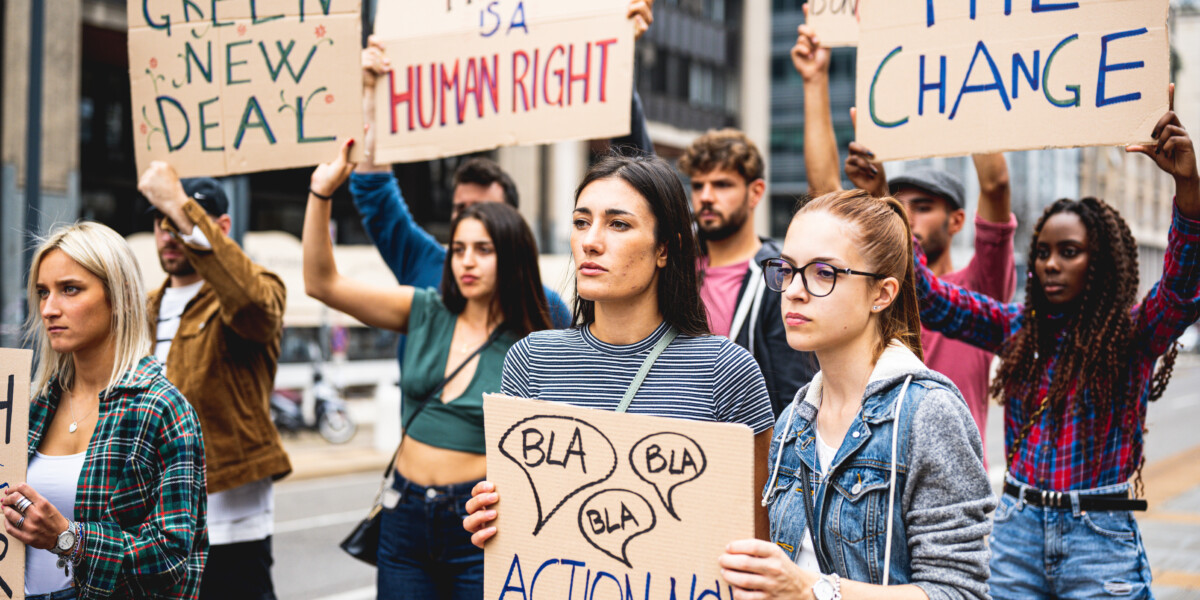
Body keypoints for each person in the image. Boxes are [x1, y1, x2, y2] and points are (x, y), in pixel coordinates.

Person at [911, 98, 1200, 598]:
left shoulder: (1133, 336)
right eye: (1042, 251)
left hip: (1100, 540)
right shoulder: (1016, 327)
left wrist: (1190, 190)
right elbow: (933, 300)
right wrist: (885, 210)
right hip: (1015, 533)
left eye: (1069, 252)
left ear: (1102, 263)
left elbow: (1179, 288)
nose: (1049, 264)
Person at [462, 153, 777, 545]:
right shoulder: (532, 359)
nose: (591, 242)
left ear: (665, 249)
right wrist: (491, 517)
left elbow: (757, 536)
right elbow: (519, 512)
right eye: (581, 223)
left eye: (618, 224)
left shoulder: (725, 370)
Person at [304, 140, 552, 599]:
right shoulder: (424, 309)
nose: (467, 262)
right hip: (405, 513)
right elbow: (322, 283)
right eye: (458, 249)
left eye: (483, 249)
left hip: (482, 524)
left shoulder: (537, 339)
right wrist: (321, 193)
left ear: (513, 257)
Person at [718, 189, 995, 600]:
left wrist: (812, 591)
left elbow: (959, 592)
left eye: (823, 273)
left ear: (882, 293)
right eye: (787, 269)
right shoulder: (793, 421)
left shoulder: (926, 412)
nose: (794, 290)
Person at [350, 0, 656, 337]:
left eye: (485, 210)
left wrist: (618, 54)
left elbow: (637, 184)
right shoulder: (424, 265)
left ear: (512, 221)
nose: (471, 221)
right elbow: (373, 192)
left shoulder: (545, 307)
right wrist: (371, 94)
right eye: (461, 209)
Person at [792, 22, 1016, 462]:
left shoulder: (979, 288)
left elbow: (996, 182)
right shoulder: (865, 284)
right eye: (900, 203)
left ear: (957, 221)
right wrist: (815, 80)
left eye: (924, 206)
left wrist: (968, 65)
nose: (908, 215)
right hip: (870, 473)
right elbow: (824, 195)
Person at [4, 222, 207, 600]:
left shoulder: (161, 409)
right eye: (43, 293)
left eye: (70, 290)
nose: (49, 309)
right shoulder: (31, 407)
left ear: (119, 296)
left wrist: (70, 539)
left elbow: (173, 558)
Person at [138, 166, 291, 600]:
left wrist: (183, 209)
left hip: (229, 523)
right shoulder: (143, 308)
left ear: (220, 227)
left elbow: (252, 306)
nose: (169, 232)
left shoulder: (254, 290)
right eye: (161, 220)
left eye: (181, 220)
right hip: (153, 525)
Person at [679, 129, 819, 417]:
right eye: (698, 185)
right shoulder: (675, 267)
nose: (705, 197)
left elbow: (793, 391)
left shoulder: (778, 277)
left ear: (755, 192)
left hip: (746, 447)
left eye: (721, 185)